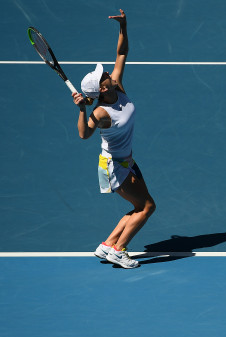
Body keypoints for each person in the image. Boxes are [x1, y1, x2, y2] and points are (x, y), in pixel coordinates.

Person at [72, 9, 155, 269]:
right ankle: (119, 250)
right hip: (115, 166)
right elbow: (84, 134)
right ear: (102, 88)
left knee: (139, 206)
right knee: (147, 208)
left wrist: (123, 27)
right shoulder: (100, 112)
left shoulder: (117, 85)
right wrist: (82, 109)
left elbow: (121, 53)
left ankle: (107, 245)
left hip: (125, 161)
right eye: (103, 76)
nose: (108, 72)